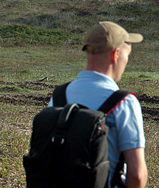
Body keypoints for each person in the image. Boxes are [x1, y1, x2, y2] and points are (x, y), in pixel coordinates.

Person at [51, 21, 148, 188]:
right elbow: (137, 175)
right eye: (127, 55)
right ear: (116, 54)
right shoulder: (125, 102)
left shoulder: (58, 97)